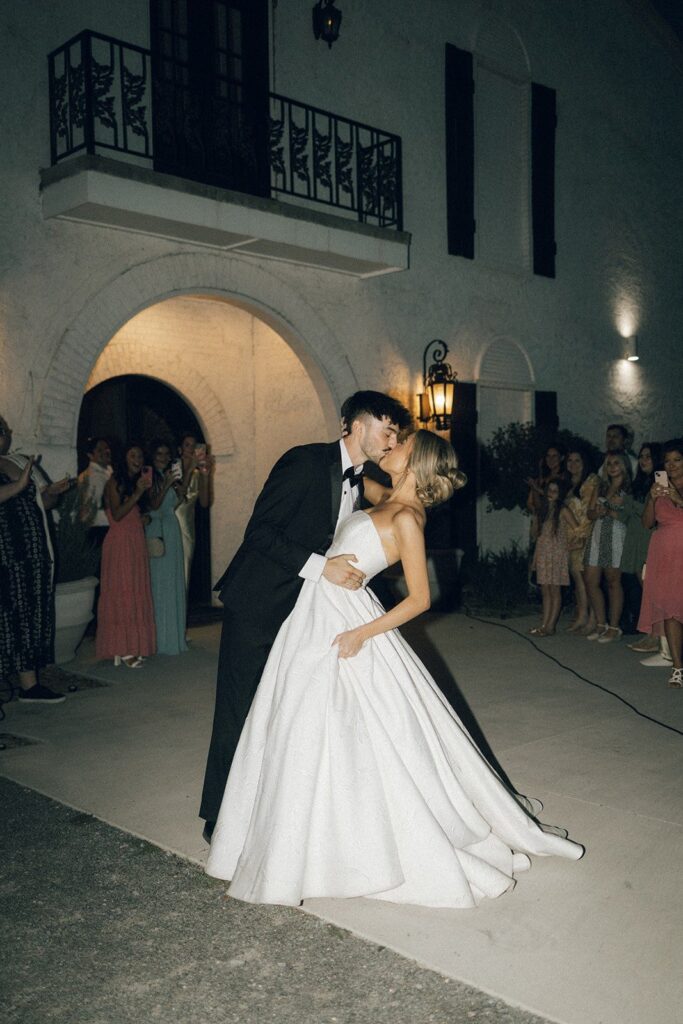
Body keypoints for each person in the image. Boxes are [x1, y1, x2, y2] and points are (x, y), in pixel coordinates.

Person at [206, 430, 583, 907]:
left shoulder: (408, 517)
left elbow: (422, 599)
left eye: (401, 442)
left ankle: (317, 848)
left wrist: (363, 634)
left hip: (346, 623)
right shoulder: (383, 493)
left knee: (321, 721)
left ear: (416, 459)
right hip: (312, 612)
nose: (393, 443)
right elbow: (352, 477)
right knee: (288, 718)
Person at [199, 391, 412, 839]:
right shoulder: (305, 462)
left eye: (396, 433)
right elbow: (259, 533)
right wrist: (323, 568)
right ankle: (220, 817)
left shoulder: (360, 480)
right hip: (258, 603)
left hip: (304, 611)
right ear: (354, 426)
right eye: (386, 429)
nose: (391, 440)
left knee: (283, 709)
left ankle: (268, 806)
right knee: (238, 710)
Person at [0, 414, 72, 703]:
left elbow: (43, 500)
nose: (2, 435)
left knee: (33, 611)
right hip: (7, 554)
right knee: (13, 614)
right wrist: (18, 487)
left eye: (3, 429)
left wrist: (52, 493)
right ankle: (25, 683)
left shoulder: (17, 461)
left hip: (33, 551)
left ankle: (31, 685)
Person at [96, 443, 156, 668]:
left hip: (135, 541)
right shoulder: (114, 482)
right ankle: (121, 648)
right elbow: (118, 514)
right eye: (133, 455)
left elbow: (132, 512)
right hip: (120, 543)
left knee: (135, 590)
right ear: (124, 458)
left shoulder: (135, 482)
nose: (138, 459)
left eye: (140, 455)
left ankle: (134, 644)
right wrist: (139, 492)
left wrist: (143, 517)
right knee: (122, 592)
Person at [637, 439, 683, 688]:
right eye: (667, 461)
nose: (672, 465)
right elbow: (646, 523)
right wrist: (651, 499)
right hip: (665, 553)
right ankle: (678, 667)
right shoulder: (658, 486)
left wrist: (676, 496)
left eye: (677, 460)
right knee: (670, 609)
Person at [583, 452, 632, 643]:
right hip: (597, 533)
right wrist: (597, 512)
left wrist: (609, 511)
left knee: (613, 581)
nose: (612, 466)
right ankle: (600, 624)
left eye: (616, 463)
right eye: (608, 463)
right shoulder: (601, 486)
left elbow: (627, 515)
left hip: (615, 534)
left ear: (624, 466)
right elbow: (589, 513)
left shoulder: (627, 488)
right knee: (590, 580)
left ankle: (614, 626)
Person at [145, 440, 187, 655]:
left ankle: (174, 637)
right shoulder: (149, 476)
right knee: (160, 583)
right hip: (157, 530)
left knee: (173, 581)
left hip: (171, 528)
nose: (162, 457)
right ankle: (161, 639)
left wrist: (179, 490)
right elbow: (153, 504)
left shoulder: (165, 476)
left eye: (165, 453)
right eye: (159, 453)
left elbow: (174, 504)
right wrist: (167, 483)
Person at [620, 443, 661, 650]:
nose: (644, 461)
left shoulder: (660, 483)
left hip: (649, 538)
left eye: (648, 457)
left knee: (652, 590)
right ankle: (651, 634)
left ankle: (657, 637)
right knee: (645, 591)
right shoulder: (639, 483)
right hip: (635, 538)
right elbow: (624, 513)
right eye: (642, 457)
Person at [529, 479, 578, 637]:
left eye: (555, 491)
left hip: (557, 554)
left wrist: (571, 546)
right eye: (549, 490)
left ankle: (551, 626)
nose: (551, 494)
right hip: (544, 553)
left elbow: (577, 529)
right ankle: (544, 624)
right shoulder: (543, 511)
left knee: (555, 590)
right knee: (545, 590)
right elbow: (538, 537)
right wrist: (535, 559)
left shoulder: (563, 510)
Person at [564, 448, 600, 633]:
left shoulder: (591, 480)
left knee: (589, 580)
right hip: (571, 536)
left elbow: (588, 512)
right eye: (570, 460)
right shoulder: (569, 482)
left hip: (585, 534)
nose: (573, 464)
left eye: (577, 460)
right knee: (578, 579)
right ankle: (582, 615)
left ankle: (594, 619)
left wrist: (583, 536)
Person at [174, 432, 214, 595]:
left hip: (186, 530)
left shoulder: (197, 474)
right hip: (169, 525)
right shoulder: (173, 469)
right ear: (180, 449)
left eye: (194, 446)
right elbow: (176, 497)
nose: (191, 450)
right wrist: (189, 469)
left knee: (184, 573)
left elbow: (205, 503)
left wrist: (206, 474)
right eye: (187, 445)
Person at [78, 436, 112, 548]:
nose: (105, 452)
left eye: (107, 448)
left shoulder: (107, 472)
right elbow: (91, 508)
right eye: (100, 450)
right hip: (100, 528)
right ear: (90, 455)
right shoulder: (93, 476)